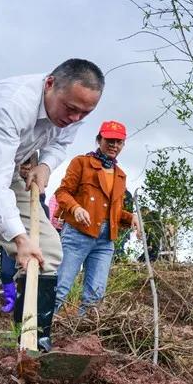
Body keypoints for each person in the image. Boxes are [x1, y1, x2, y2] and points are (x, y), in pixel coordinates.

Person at [0, 59, 104, 368]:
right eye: (70, 108)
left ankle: (33, 347)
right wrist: (19, 238)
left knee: (48, 251)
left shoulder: (73, 110)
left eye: (84, 113)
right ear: (50, 84)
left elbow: (59, 143)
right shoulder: (12, 103)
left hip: (10, 165)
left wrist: (45, 165)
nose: (75, 117)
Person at [54, 120, 139, 317]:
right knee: (61, 287)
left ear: (123, 145)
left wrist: (131, 217)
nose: (114, 145)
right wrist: (75, 208)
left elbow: (113, 212)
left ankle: (82, 339)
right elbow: (63, 192)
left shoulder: (120, 175)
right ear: (99, 140)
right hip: (78, 234)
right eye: (109, 140)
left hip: (105, 241)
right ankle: (39, 332)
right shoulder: (81, 163)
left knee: (95, 295)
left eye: (118, 142)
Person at [0, 158, 51, 313]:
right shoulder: (6, 191)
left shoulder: (41, 204)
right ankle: (10, 300)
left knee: (24, 273)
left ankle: (23, 308)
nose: (25, 170)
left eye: (28, 166)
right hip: (13, 240)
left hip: (32, 247)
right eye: (22, 166)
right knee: (6, 272)